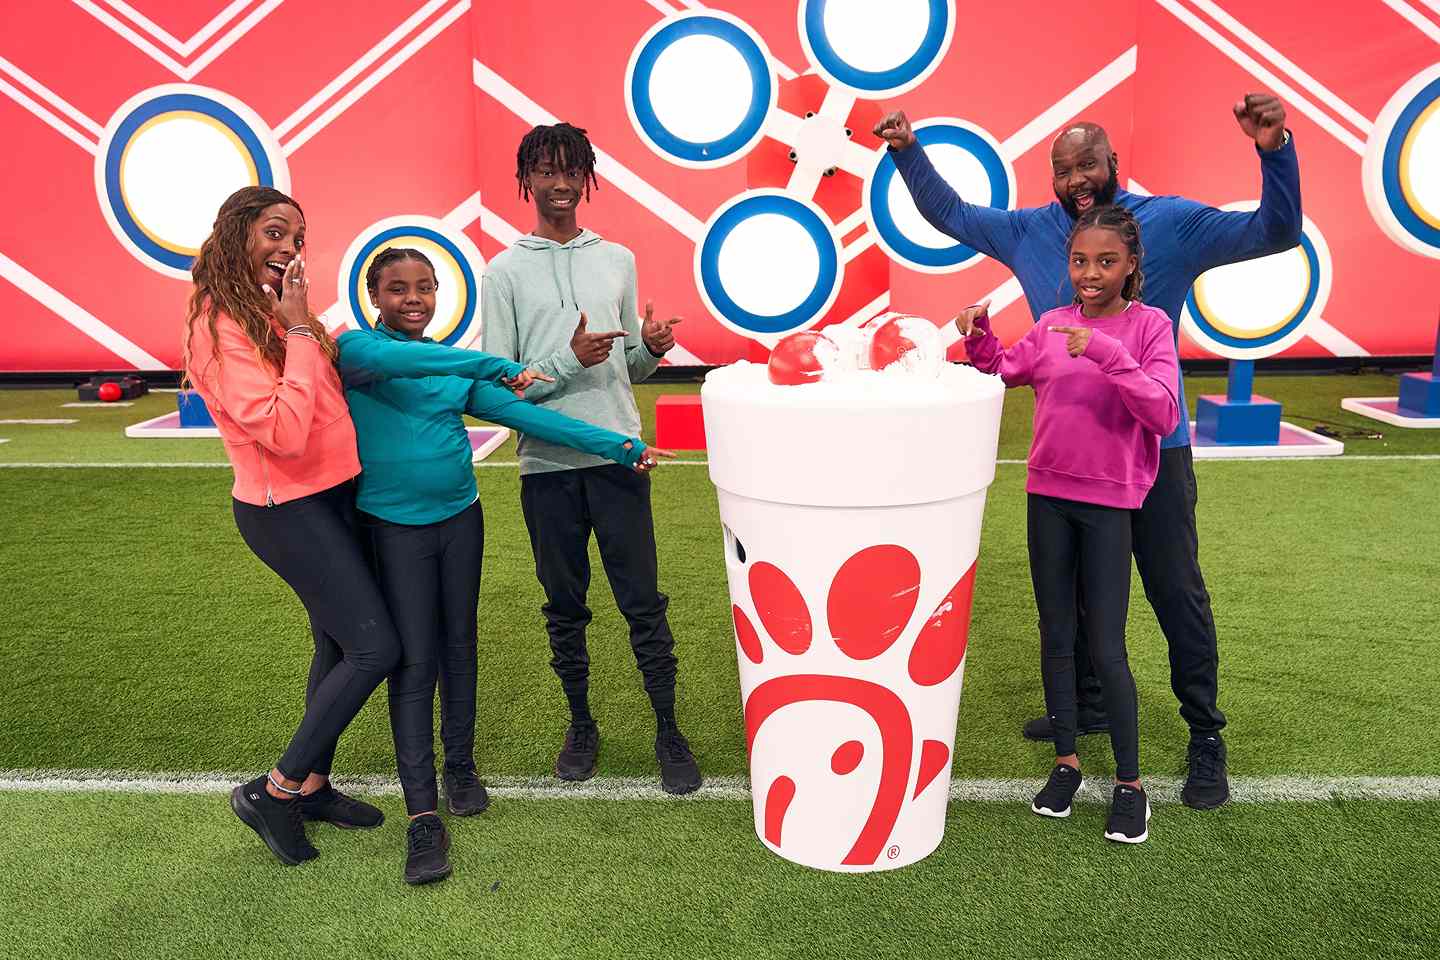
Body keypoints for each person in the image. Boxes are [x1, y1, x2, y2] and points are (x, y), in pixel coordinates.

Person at [875, 94, 1303, 808]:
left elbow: (1275, 230)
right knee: (1074, 596)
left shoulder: (1169, 223)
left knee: (1175, 592)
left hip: (1153, 453)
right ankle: (1089, 708)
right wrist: (906, 152)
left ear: (1114, 164)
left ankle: (1205, 734)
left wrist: (1274, 149)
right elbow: (950, 214)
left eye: (1088, 166)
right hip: (1075, 461)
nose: (1076, 181)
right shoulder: (1030, 230)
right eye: (1063, 170)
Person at [336, 246, 672, 885]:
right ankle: (422, 811)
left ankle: (460, 767)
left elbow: (524, 415)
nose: (413, 299)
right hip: (394, 530)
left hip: (460, 521)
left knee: (460, 647)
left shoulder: (448, 370)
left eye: (424, 287)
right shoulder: (360, 350)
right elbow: (422, 361)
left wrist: (619, 445)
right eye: (398, 289)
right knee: (416, 661)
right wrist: (498, 364)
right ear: (373, 297)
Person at [480, 121, 700, 795]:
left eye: (571, 170)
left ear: (587, 178)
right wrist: (567, 360)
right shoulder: (503, 271)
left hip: (619, 459)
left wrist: (650, 347)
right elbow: (500, 389)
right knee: (565, 607)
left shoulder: (618, 260)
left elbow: (627, 369)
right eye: (546, 170)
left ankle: (668, 729)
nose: (560, 183)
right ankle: (581, 724)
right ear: (526, 180)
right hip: (548, 469)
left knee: (643, 603)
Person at [182, 186, 399, 866]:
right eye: (275, 232)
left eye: (297, 237)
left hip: (333, 496)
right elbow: (281, 428)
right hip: (287, 510)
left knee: (337, 645)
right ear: (237, 233)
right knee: (375, 648)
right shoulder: (220, 323)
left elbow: (322, 396)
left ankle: (311, 786)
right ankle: (273, 791)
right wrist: (302, 330)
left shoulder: (268, 310)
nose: (289, 247)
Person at [961, 206, 1178, 842]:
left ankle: (1131, 786)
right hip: (1047, 498)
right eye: (1080, 261)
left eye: (1106, 262)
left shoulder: (1150, 327)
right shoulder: (1053, 323)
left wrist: (1109, 353)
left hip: (1109, 504)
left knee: (1106, 645)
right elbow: (1004, 369)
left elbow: (1163, 413)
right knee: (1056, 635)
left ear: (1131, 264)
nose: (1090, 273)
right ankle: (1066, 763)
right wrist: (979, 335)